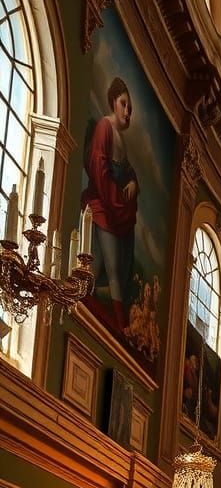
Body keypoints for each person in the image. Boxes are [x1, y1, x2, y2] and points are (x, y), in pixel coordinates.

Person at [83, 77, 138, 331]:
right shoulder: (105, 127)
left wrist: (133, 183)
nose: (127, 112)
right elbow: (98, 165)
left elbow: (127, 170)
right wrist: (116, 196)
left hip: (116, 207)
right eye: (123, 104)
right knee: (110, 266)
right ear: (113, 102)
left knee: (100, 264)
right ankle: (119, 328)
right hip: (105, 205)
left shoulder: (121, 139)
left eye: (130, 108)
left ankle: (92, 308)